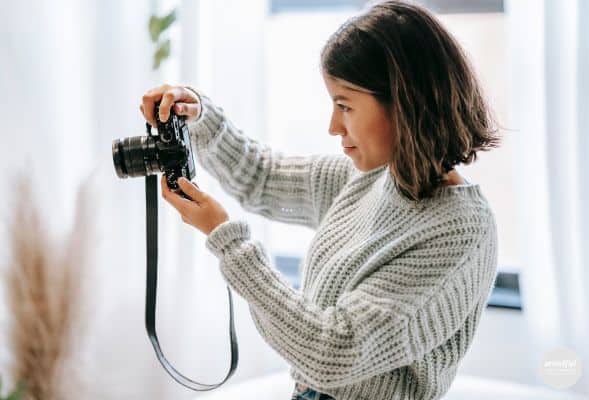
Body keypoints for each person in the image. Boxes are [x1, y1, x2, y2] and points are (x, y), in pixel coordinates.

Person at [139, 1, 502, 399]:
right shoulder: (373, 179)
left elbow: (333, 352)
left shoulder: (458, 231)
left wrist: (226, 240)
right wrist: (199, 114)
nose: (333, 126)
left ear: (405, 101)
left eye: (344, 105)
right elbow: (261, 177)